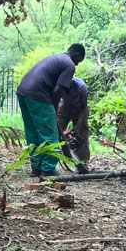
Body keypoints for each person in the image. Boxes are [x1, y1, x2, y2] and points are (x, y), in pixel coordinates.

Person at [16, 44, 86, 178]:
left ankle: (36, 167)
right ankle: (47, 169)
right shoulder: (69, 64)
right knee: (49, 134)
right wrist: (54, 109)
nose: (76, 65)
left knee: (33, 133)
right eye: (79, 61)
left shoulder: (56, 58)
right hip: (38, 94)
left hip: (23, 92)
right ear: (77, 55)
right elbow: (57, 90)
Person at [57, 77, 90, 171]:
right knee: (56, 131)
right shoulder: (58, 85)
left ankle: (83, 163)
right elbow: (55, 101)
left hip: (80, 108)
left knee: (82, 133)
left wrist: (79, 124)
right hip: (65, 106)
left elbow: (84, 106)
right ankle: (51, 161)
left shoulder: (81, 87)